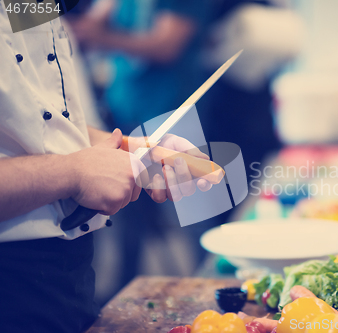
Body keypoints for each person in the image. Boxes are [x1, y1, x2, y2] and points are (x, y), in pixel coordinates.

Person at [0, 5, 210, 332]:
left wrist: (138, 148)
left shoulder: (33, 6)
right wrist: (72, 173)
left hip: (68, 274)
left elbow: (47, 124)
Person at [68, 0, 213, 293]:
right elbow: (85, 19)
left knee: (193, 213)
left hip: (172, 113)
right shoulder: (22, 11)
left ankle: (210, 290)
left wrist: (97, 35)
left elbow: (166, 46)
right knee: (128, 219)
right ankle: (125, 284)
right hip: (122, 111)